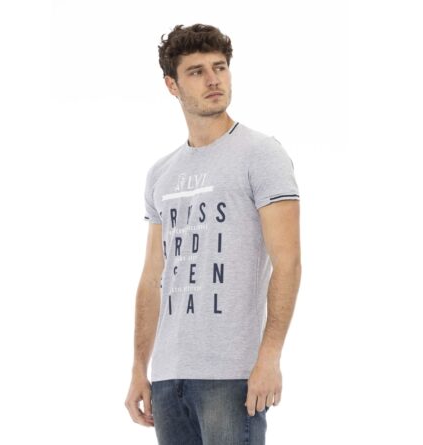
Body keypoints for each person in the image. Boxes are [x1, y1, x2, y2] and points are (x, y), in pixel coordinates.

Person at [125, 23, 302, 445]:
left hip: (231, 374)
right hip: (168, 377)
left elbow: (288, 261)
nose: (213, 79)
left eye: (220, 67)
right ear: (172, 85)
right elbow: (152, 276)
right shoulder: (161, 174)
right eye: (197, 71)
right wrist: (139, 368)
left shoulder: (261, 154)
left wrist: (270, 357)